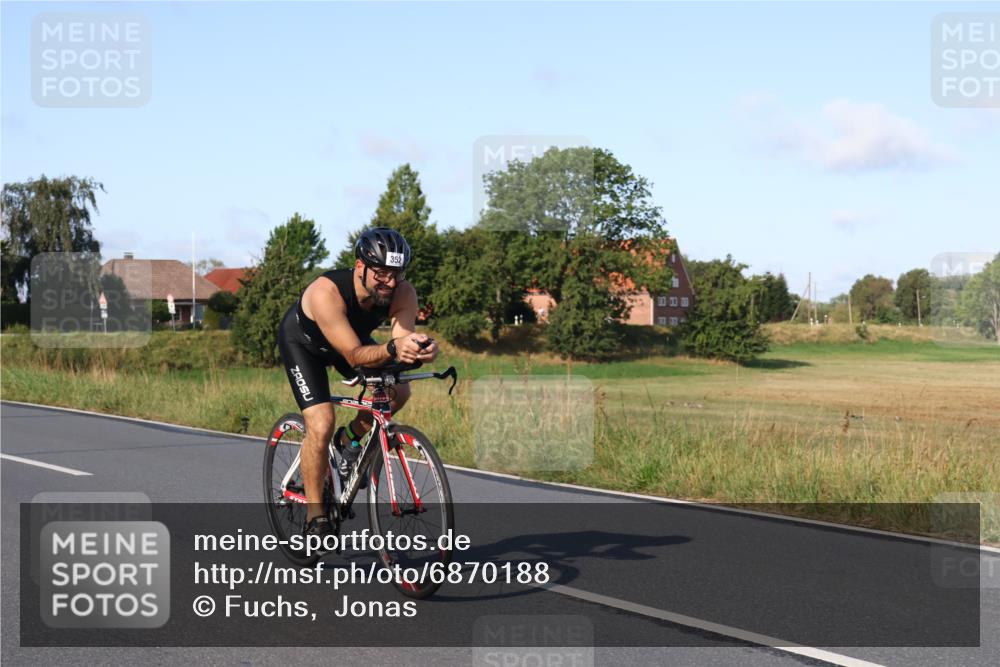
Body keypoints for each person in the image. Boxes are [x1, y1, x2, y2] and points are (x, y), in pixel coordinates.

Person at [276, 227, 438, 538]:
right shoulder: (326, 292)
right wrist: (391, 349)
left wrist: (421, 350)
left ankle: (348, 441)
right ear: (360, 266)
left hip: (350, 340)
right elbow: (353, 355)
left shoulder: (403, 292)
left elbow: (399, 344)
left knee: (398, 389)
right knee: (321, 423)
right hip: (305, 345)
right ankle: (315, 515)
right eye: (381, 273)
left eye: (397, 273)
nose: (390, 282)